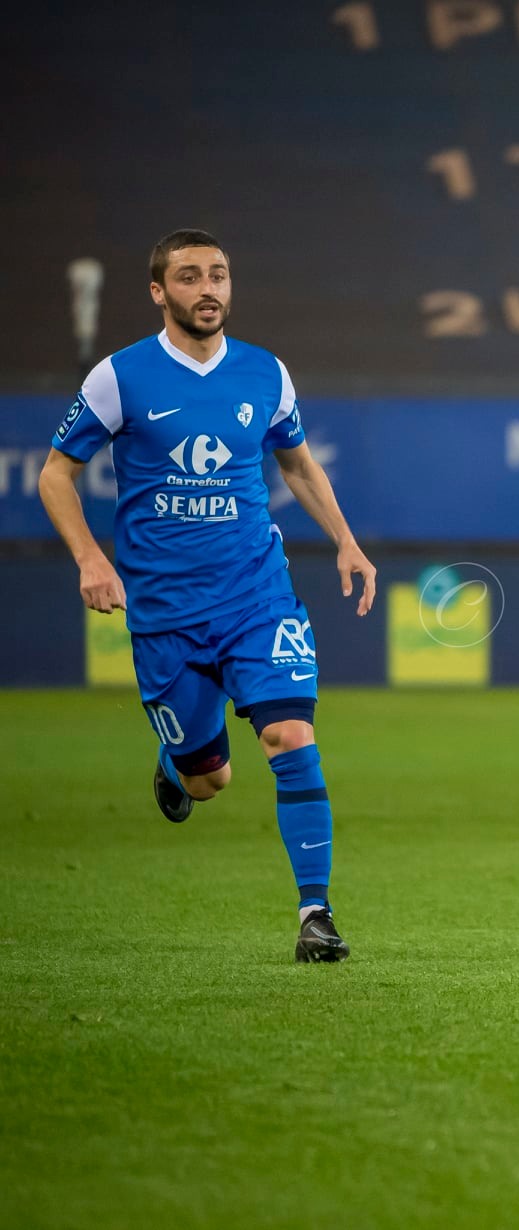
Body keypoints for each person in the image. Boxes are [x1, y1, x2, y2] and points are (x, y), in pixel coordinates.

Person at [38, 229, 376, 962]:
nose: (208, 289)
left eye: (218, 274)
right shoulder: (120, 377)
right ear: (160, 292)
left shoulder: (265, 373)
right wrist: (90, 559)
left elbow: (299, 466)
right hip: (165, 616)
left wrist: (347, 541)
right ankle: (176, 767)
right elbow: (55, 474)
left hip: (258, 598)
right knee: (211, 776)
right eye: (189, 277)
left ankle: (315, 913)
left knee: (292, 739)